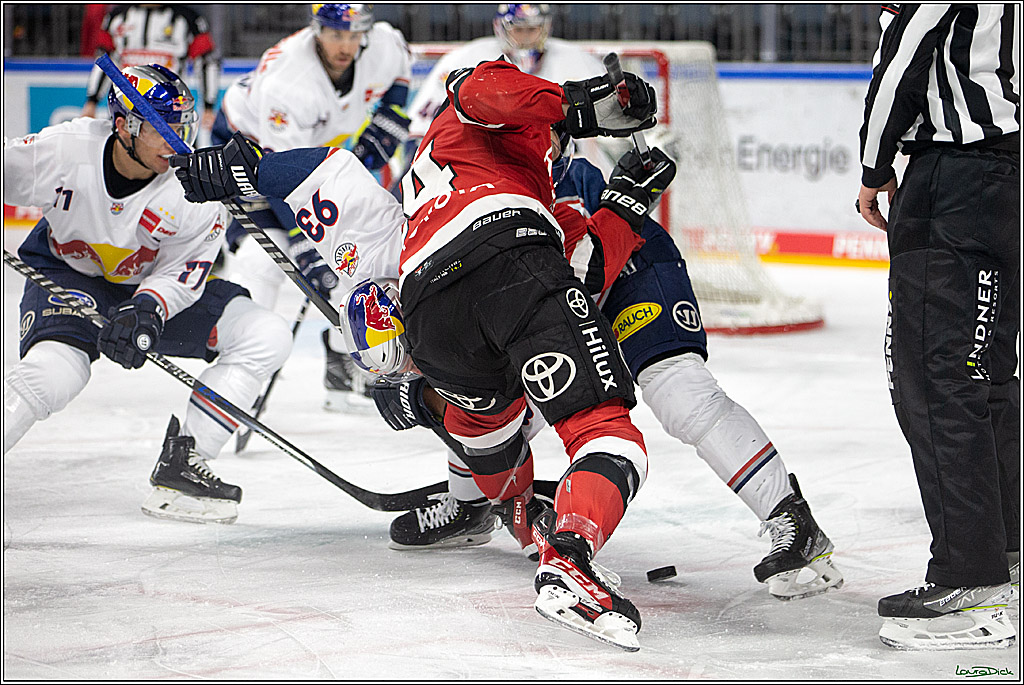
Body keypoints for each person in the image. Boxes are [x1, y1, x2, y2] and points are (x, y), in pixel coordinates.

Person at [170, 57, 662, 651]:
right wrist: (580, 108)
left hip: (435, 317)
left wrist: (245, 169)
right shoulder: (485, 115)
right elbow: (486, 87)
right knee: (605, 431)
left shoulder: (406, 218)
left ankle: (505, 514)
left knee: (486, 425)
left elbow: (322, 177)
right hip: (510, 258)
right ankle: (569, 561)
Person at [383, 150, 845, 601]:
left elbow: (585, 273)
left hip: (626, 268)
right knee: (488, 403)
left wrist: (428, 396)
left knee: (679, 392)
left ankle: (791, 518)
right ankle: (473, 505)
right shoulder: (444, 192)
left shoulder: (529, 176)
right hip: (551, 296)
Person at [3, 65, 293, 526]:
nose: (177, 141)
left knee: (266, 335)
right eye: (163, 129)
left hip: (149, 291)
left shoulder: (194, 188)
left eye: (183, 126)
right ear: (124, 126)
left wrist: (148, 309)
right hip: (69, 275)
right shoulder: (64, 150)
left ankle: (184, 464)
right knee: (53, 375)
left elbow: (184, 269)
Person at [857, 3, 1019, 650]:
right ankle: (1005, 553)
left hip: (953, 178)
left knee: (933, 379)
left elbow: (907, 50)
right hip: (1008, 174)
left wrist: (873, 168)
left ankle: (971, 579)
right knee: (985, 375)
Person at [212, 3, 413, 413]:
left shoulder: (384, 45)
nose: (346, 46)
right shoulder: (288, 81)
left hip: (312, 161)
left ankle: (343, 368)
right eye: (336, 34)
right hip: (247, 155)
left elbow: (399, 69)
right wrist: (305, 245)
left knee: (352, 267)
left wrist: (389, 119)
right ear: (316, 29)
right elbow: (277, 174)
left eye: (354, 35)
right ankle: (241, 369)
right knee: (261, 263)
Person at [406, 4, 615, 178]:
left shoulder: (577, 60)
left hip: (564, 166)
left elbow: (609, 124)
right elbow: (422, 129)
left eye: (532, 29)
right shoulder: (464, 58)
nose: (526, 38)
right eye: (519, 30)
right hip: (487, 165)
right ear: (501, 28)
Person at [81, 4, 222, 133]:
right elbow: (104, 60)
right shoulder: (116, 16)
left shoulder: (188, 18)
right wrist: (92, 101)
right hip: (125, 109)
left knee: (175, 151)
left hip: (172, 113)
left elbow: (207, 62)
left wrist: (208, 106)